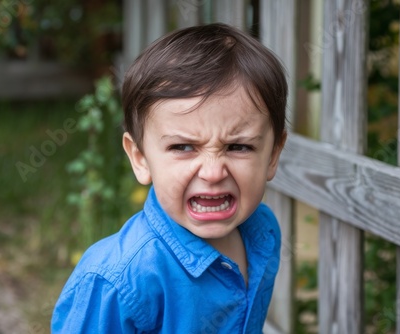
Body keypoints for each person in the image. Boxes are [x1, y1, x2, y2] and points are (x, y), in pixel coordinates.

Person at [51, 23, 288, 333]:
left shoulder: (262, 232)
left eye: (238, 146)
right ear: (140, 158)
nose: (213, 172)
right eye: (184, 147)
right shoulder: (118, 282)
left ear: (272, 155)